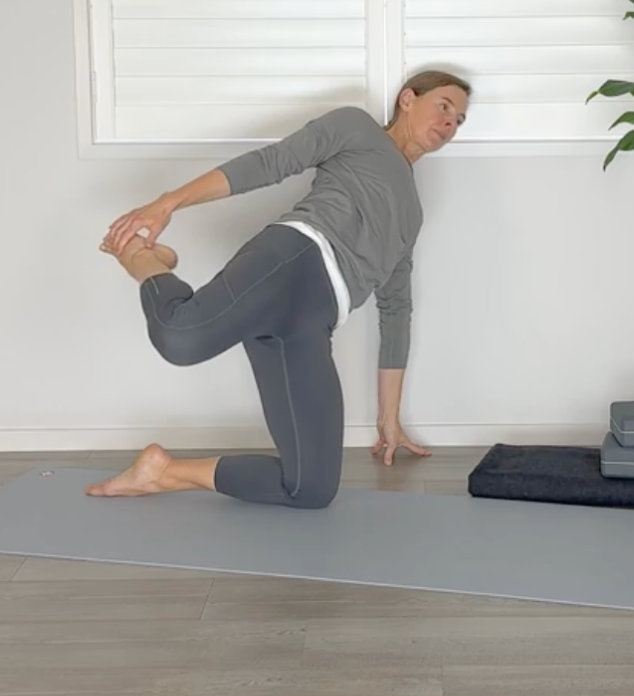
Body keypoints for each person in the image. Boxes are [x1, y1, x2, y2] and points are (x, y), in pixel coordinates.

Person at [89, 69, 472, 508]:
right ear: (407, 99)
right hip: (293, 259)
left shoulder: (414, 215)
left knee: (310, 488)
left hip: (315, 321)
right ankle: (146, 261)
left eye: (459, 120)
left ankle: (162, 472)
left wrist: (390, 419)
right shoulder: (358, 128)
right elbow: (272, 163)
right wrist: (167, 204)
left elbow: (396, 308)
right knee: (181, 338)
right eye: (444, 106)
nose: (449, 124)